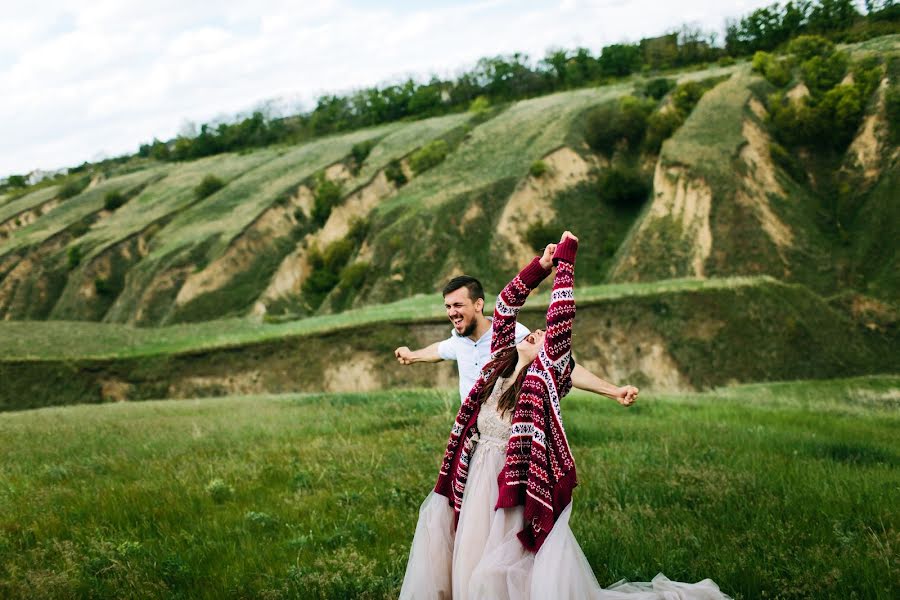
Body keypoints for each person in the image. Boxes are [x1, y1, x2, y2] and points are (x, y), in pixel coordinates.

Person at [399, 232, 731, 599]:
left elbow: (559, 321)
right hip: (478, 474)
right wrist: (542, 267)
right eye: (534, 332)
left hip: (516, 482)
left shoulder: (543, 376)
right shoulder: (499, 361)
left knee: (509, 564)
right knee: (472, 558)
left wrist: (567, 265)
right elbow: (507, 304)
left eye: (542, 336)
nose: (537, 332)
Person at [394, 275, 638, 407]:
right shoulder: (458, 339)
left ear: (478, 304)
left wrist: (613, 392)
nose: (452, 312)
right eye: (448, 306)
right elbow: (439, 350)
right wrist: (412, 355)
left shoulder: (511, 334)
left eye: (458, 305)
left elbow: (562, 366)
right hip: (470, 434)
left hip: (506, 435)